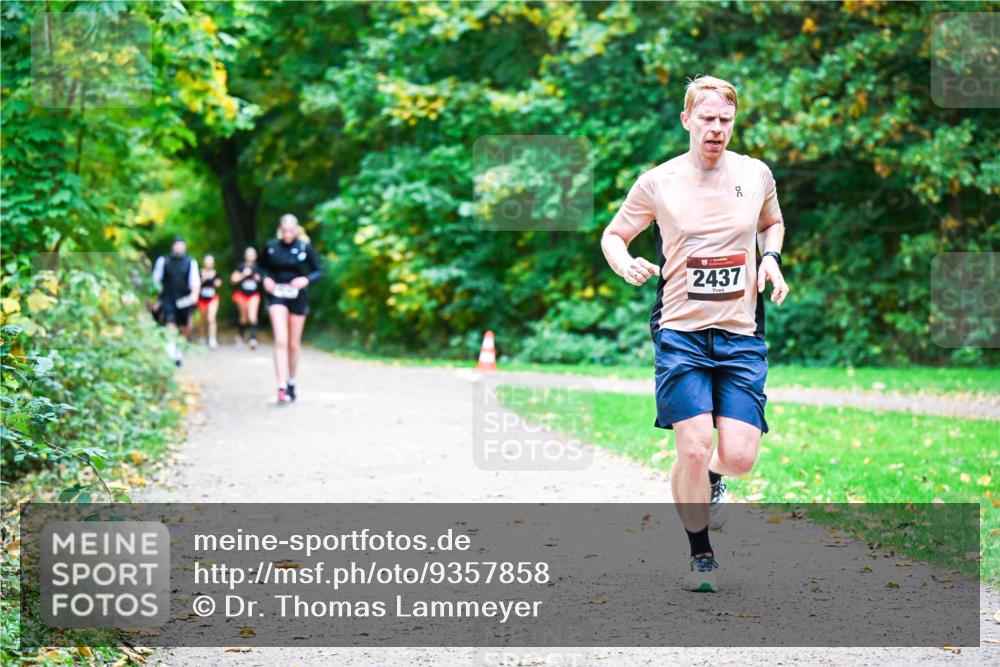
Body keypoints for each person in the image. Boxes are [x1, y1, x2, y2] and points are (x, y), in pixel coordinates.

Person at [601, 75, 789, 593]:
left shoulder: (755, 174)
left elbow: (771, 223)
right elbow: (614, 235)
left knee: (740, 456)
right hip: (681, 331)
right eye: (707, 118)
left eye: (725, 119)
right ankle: (700, 553)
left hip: (740, 333)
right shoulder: (657, 182)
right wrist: (624, 263)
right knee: (693, 444)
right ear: (687, 119)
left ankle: (711, 479)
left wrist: (770, 258)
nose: (716, 128)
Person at [259, 214, 323, 404]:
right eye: (284, 230)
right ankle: (281, 386)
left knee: (293, 344)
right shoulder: (271, 246)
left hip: (297, 297)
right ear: (280, 229)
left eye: (291, 231)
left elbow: (319, 270)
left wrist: (306, 280)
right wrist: (265, 279)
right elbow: (260, 268)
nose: (287, 234)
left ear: (296, 230)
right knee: (281, 340)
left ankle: (291, 381)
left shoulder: (304, 247)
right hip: (277, 295)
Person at [152, 236, 200, 366]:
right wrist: (155, 300)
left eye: (181, 245)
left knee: (183, 327)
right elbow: (155, 282)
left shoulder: (190, 262)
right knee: (170, 324)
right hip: (167, 298)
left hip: (184, 299)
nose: (179, 247)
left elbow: (195, 282)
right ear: (172, 246)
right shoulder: (163, 261)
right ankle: (171, 354)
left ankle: (178, 352)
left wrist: (194, 295)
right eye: (177, 245)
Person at [231, 246, 263, 349]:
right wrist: (243, 275)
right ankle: (240, 336)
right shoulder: (240, 266)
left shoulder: (258, 267)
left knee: (252, 316)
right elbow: (233, 279)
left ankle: (253, 339)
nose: (250, 256)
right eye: (249, 254)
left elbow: (263, 280)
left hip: (254, 295)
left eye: (252, 254)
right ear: (245, 256)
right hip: (242, 295)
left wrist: (257, 277)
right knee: (243, 318)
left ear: (255, 256)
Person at [196, 254, 223, 349]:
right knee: (203, 319)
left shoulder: (216, 273)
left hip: (212, 298)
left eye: (210, 261)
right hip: (202, 299)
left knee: (211, 318)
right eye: (207, 261)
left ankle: (212, 339)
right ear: (204, 262)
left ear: (213, 263)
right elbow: (195, 284)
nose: (209, 263)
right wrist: (204, 278)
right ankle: (202, 337)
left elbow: (219, 284)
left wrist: (214, 280)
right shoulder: (199, 272)